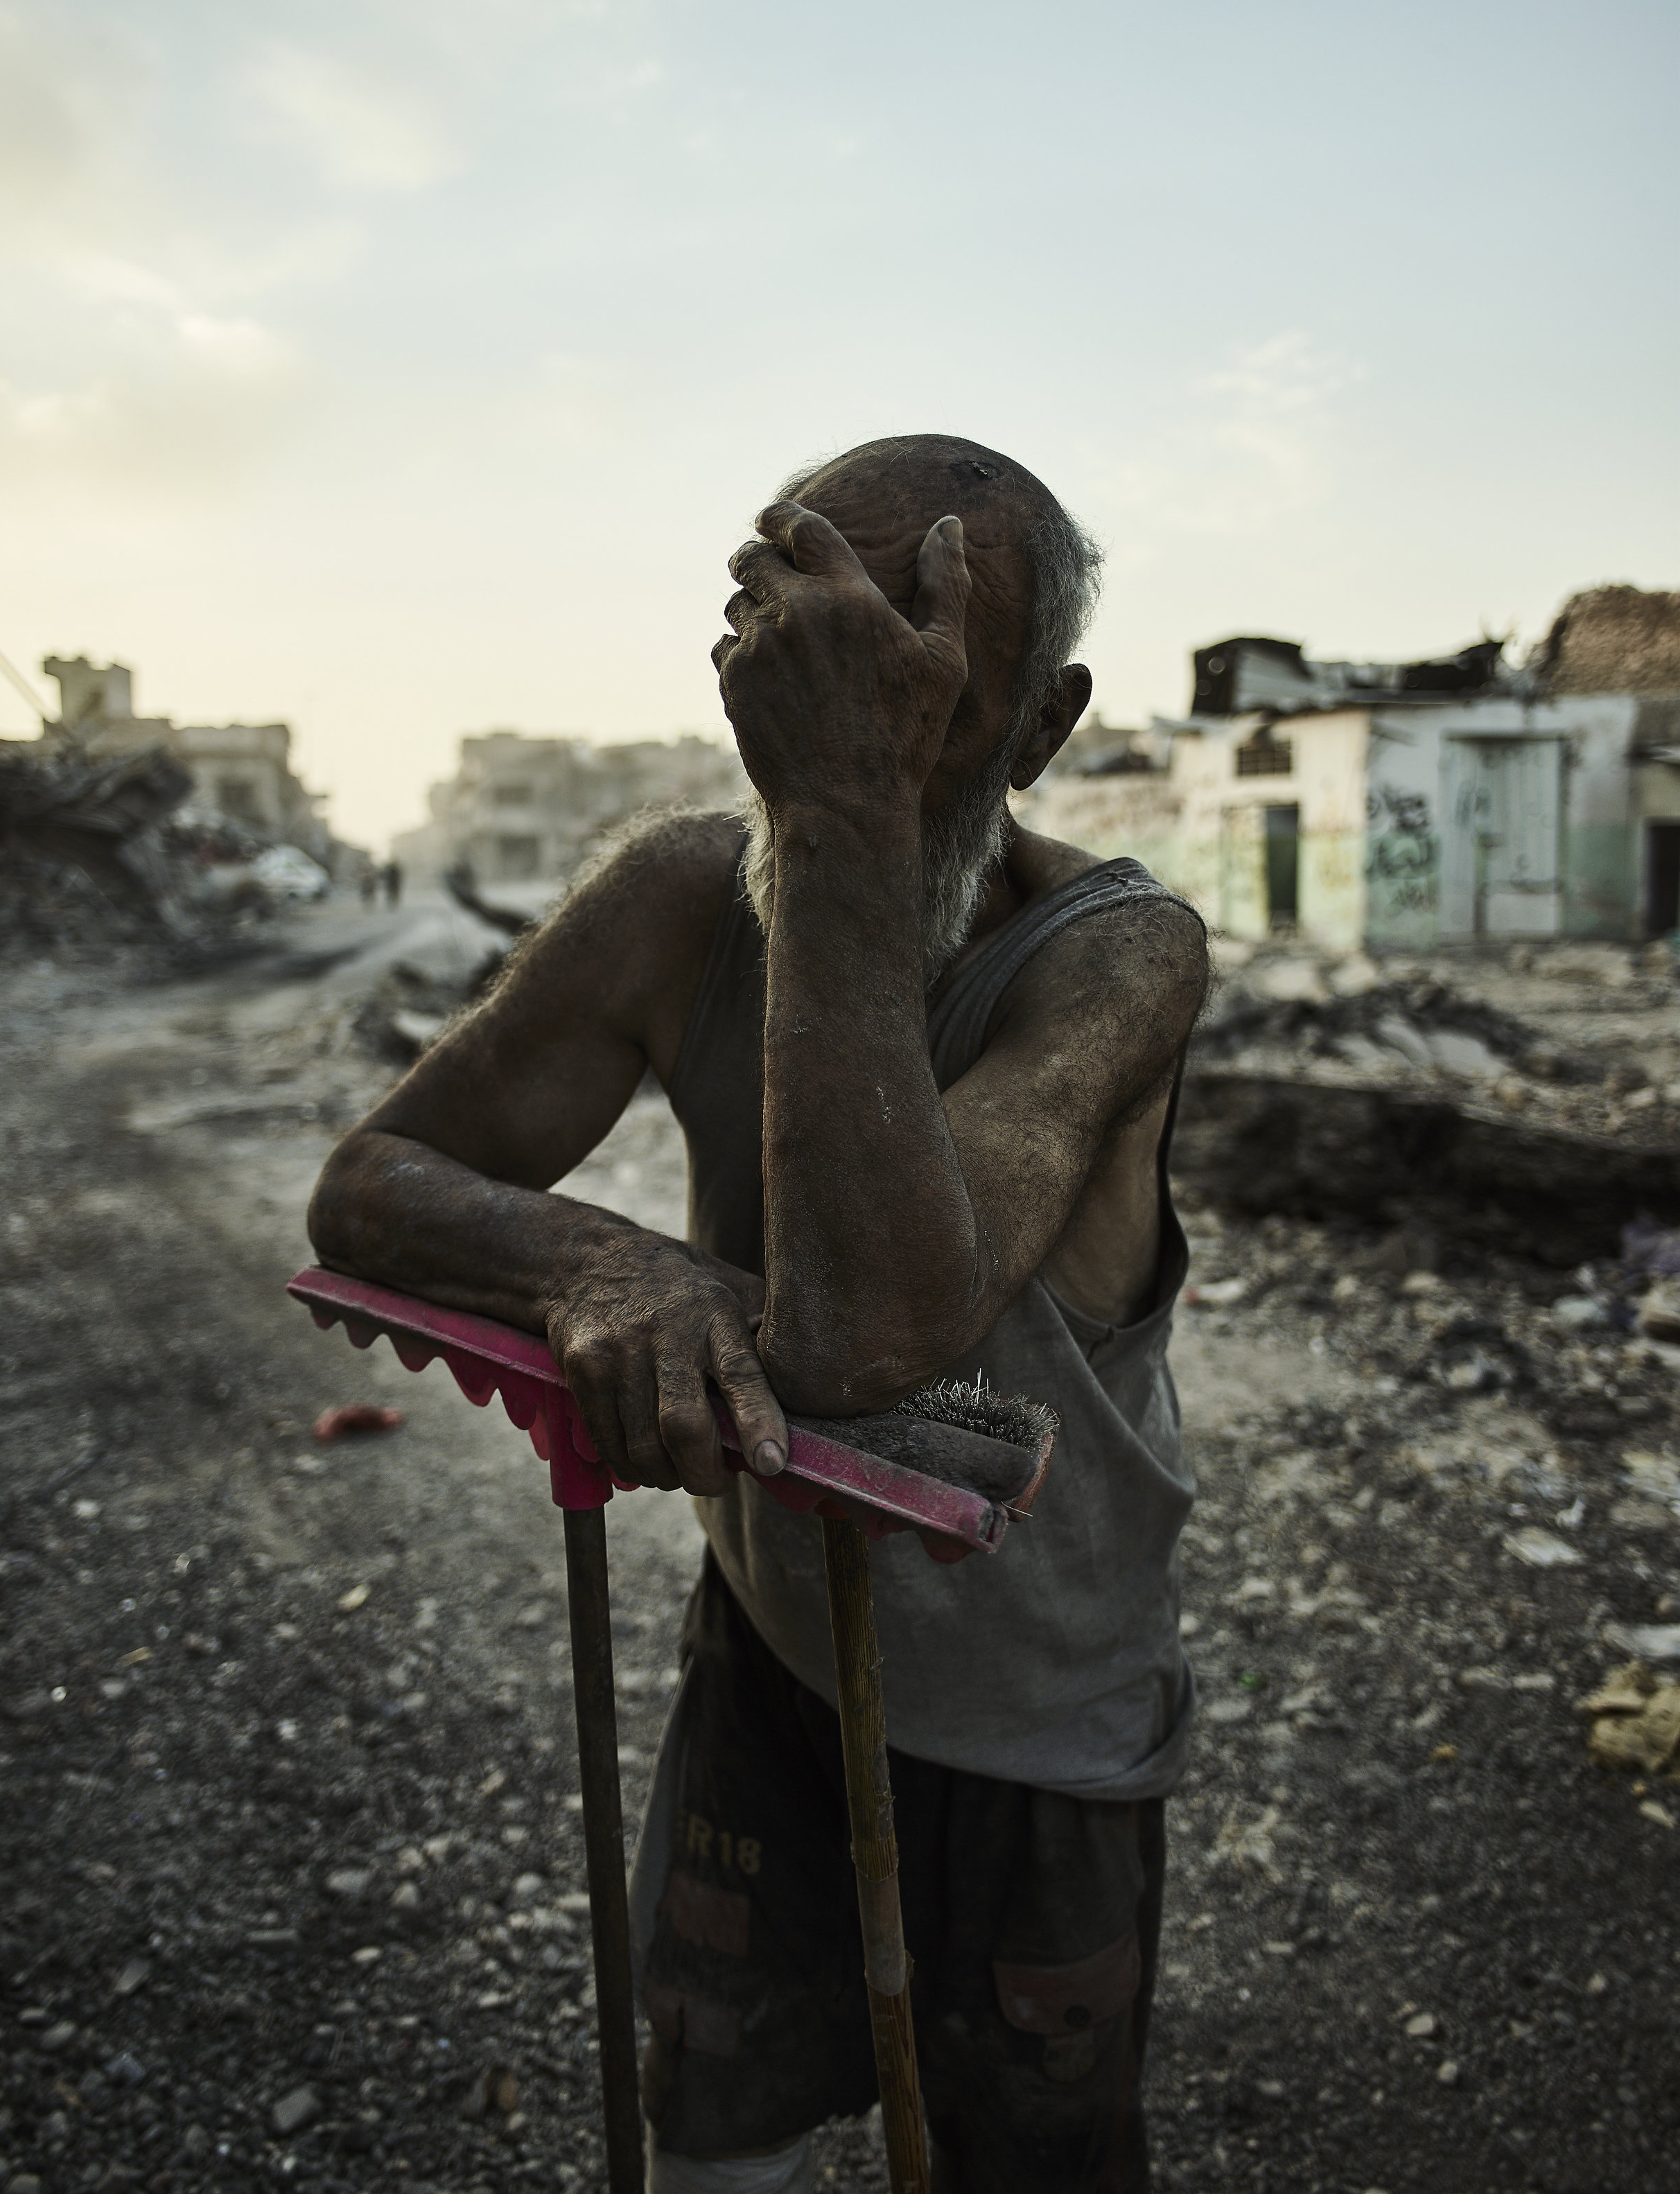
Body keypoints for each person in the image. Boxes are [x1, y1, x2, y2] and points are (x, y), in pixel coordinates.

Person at [308, 434, 1208, 2194]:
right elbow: (373, 1182)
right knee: (710, 2124)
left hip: (1039, 1722)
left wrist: (841, 814)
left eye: (913, 683)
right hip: (774, 1649)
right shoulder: (677, 896)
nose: (849, 712)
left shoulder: (1117, 957)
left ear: (1038, 726)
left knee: (1023, 2161)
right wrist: (602, 1263)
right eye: (811, 656)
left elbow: (874, 1332)